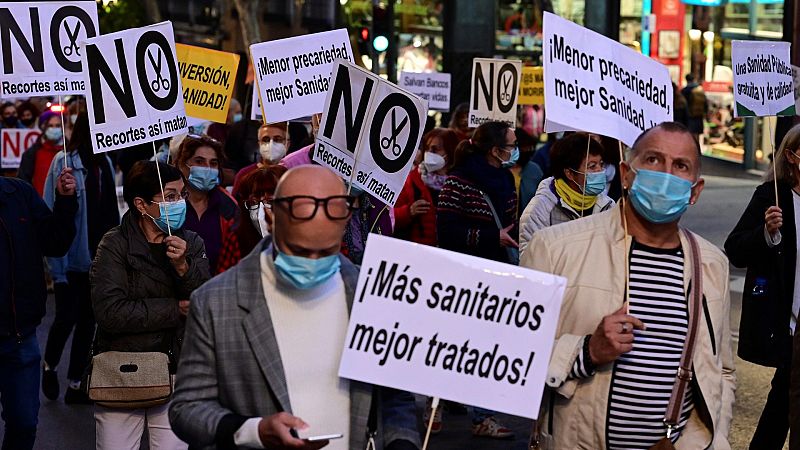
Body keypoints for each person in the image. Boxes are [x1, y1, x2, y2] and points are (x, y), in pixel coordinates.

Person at [169, 165, 420, 450]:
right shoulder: (216, 302)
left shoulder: (371, 295)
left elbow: (396, 398)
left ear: (344, 223)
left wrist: (402, 442)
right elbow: (187, 409)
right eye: (299, 249)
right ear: (270, 218)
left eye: (326, 250)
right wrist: (253, 430)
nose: (313, 262)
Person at [521, 122, 734, 449]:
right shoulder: (555, 248)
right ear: (625, 174)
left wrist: (714, 438)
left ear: (695, 190)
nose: (665, 174)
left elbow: (720, 372)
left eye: (680, 166)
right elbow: (514, 358)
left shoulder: (711, 264)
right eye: (652, 160)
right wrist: (586, 352)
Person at [90, 160, 210, 449]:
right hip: (123, 372)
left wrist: (183, 267)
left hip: (176, 369)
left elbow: (204, 304)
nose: (180, 203)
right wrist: (174, 309)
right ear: (141, 204)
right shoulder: (114, 245)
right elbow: (110, 313)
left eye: (182, 194)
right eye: (169, 197)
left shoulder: (191, 243)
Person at [436, 121, 518, 439]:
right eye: (510, 145)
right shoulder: (457, 183)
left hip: (496, 274)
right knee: (456, 344)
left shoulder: (506, 178)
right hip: (463, 277)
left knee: (488, 347)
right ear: (494, 151)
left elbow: (511, 221)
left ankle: (482, 416)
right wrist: (490, 237)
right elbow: (447, 231)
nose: (515, 150)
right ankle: (439, 404)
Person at [726, 124, 800, 450]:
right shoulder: (772, 196)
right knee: (785, 397)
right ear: (792, 156)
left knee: (786, 399)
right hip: (786, 322)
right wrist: (767, 234)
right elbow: (736, 249)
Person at [40, 112, 120, 403]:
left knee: (89, 321)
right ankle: (49, 365)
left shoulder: (106, 163)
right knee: (66, 318)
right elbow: (51, 210)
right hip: (71, 259)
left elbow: (111, 212)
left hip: (98, 260)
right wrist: (55, 267)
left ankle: (76, 382)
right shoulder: (65, 163)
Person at [0, 169, 77, 450]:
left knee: (24, 423)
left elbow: (55, 243)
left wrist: (65, 200)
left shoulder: (19, 193)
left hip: (19, 338)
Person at [518, 132, 614, 254]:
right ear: (569, 173)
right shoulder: (540, 209)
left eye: (601, 164)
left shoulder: (608, 206)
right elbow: (530, 258)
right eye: (592, 166)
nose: (600, 171)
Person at [174, 134, 238, 273]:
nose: (207, 168)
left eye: (213, 163)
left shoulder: (228, 206)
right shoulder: (169, 205)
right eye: (199, 161)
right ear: (182, 164)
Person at [394, 128, 458, 246]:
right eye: (427, 149)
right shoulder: (412, 180)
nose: (429, 154)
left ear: (449, 151)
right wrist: (408, 211)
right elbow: (390, 217)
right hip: (418, 251)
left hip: (450, 253)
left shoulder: (460, 184)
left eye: (435, 149)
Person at [217, 164, 287, 273]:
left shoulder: (306, 240)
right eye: (254, 203)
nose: (262, 211)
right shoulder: (237, 239)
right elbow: (222, 284)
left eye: (270, 202)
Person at [232, 122, 289, 197]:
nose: (271, 144)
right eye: (266, 139)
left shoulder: (292, 173)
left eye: (277, 139)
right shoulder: (245, 174)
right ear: (259, 143)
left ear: (287, 144)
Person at [17, 110, 65, 196]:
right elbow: (23, 182)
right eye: (50, 126)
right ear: (44, 127)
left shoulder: (70, 152)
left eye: (58, 126)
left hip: (65, 203)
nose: (54, 129)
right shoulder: (31, 153)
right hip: (39, 204)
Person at [681, 74, 707, 140]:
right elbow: (705, 103)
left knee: (689, 136)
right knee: (697, 137)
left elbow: (682, 105)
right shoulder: (700, 89)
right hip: (699, 116)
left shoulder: (684, 91)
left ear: (686, 80)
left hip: (689, 117)